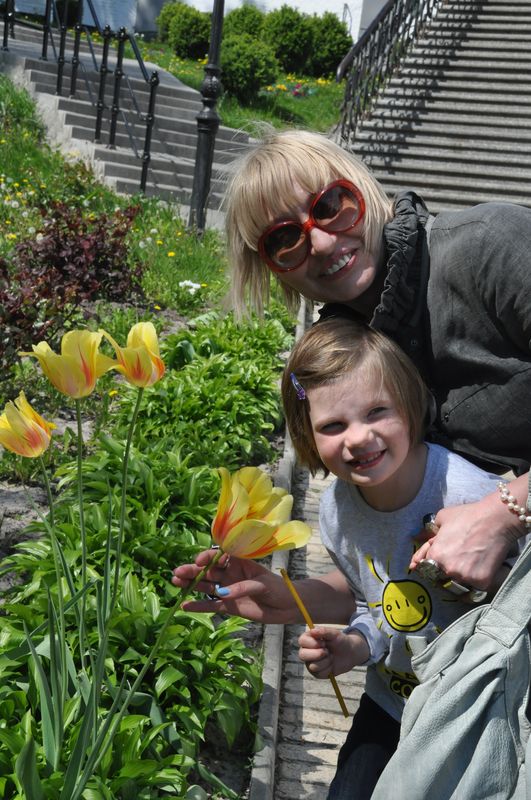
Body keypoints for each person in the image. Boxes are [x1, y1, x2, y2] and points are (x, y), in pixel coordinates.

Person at [174, 126, 531, 619]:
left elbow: (488, 523)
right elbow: (387, 564)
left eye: (328, 205)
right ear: (270, 267)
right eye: (284, 239)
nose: (319, 242)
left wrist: (506, 514)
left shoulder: (491, 249)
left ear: (360, 188)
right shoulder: (343, 360)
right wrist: (289, 599)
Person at [175, 317, 528, 799]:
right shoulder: (339, 511)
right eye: (332, 425)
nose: (358, 438)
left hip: (475, 706)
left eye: (377, 411)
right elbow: (377, 603)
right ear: (307, 435)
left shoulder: (473, 497)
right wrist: (354, 645)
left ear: (408, 404)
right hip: (392, 700)